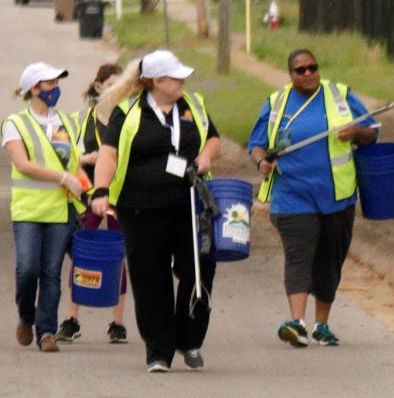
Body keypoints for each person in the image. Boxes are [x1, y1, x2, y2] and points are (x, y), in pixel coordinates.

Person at [90, 50, 221, 373]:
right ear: (157, 82)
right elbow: (108, 154)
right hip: (141, 207)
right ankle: (158, 350)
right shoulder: (128, 112)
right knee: (151, 277)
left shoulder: (193, 106)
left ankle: (189, 338)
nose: (183, 82)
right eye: (177, 78)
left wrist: (205, 158)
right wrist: (101, 190)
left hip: (190, 205)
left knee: (200, 268)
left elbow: (213, 139)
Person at [248, 49, 378, 348]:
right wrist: (261, 162)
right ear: (290, 74)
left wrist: (356, 131)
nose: (307, 74)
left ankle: (322, 325)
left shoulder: (340, 95)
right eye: (300, 70)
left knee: (329, 262)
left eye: (312, 68)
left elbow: (373, 133)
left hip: (337, 197)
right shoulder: (276, 103)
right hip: (292, 195)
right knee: (298, 257)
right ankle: (297, 323)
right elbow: (257, 144)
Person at [2, 62, 85, 353]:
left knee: (51, 272)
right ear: (33, 89)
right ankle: (27, 316)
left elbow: (78, 160)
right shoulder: (16, 124)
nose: (56, 89)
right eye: (50, 84)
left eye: (57, 83)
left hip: (61, 211)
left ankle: (46, 332)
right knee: (28, 269)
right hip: (28, 212)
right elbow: (23, 165)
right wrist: (63, 177)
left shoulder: (68, 123)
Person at [57, 64, 129, 344]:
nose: (117, 89)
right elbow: (64, 157)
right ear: (98, 87)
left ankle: (118, 323)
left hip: (119, 194)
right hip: (87, 195)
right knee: (81, 254)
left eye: (121, 84)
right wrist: (86, 160)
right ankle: (72, 319)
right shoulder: (81, 121)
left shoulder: (129, 119)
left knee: (117, 255)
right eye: (111, 83)